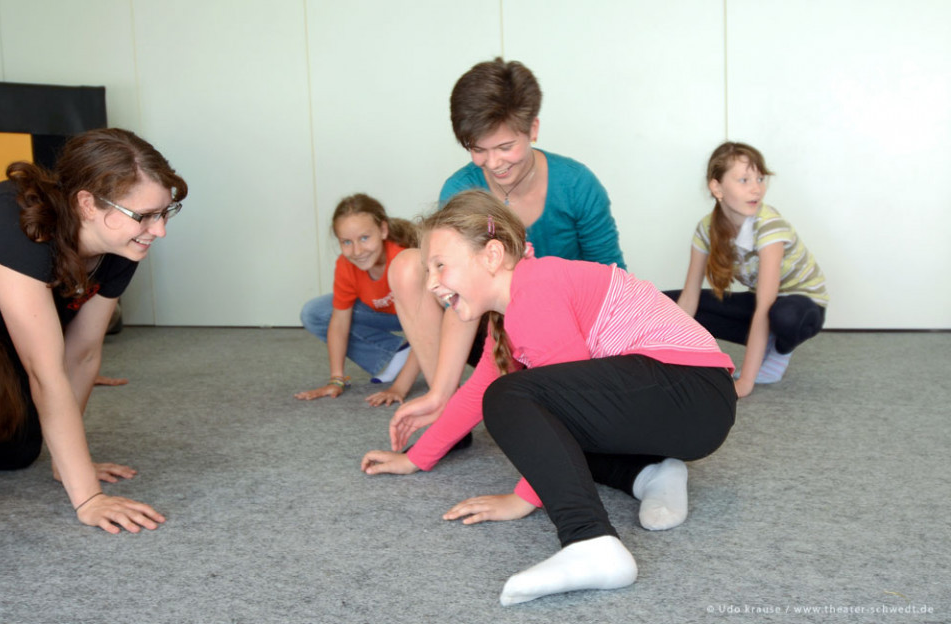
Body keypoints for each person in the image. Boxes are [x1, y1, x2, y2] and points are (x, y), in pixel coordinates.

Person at [362, 190, 737, 605]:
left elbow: (552, 408)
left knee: (515, 403)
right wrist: (417, 457)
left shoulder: (536, 290)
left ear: (491, 255)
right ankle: (650, 474)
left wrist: (522, 499)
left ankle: (591, 541)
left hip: (691, 391)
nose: (431, 282)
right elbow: (477, 392)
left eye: (440, 265)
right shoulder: (512, 307)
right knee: (537, 426)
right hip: (686, 408)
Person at [387, 58, 625, 451]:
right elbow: (458, 293)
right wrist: (441, 391)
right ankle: (446, 410)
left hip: (564, 334)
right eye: (478, 150)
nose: (493, 163)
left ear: (532, 128)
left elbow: (611, 278)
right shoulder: (461, 189)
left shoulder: (577, 184)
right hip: (492, 329)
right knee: (408, 266)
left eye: (505, 147)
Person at [0, 128, 186, 533]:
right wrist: (89, 498)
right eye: (144, 216)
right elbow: (45, 371)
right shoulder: (18, 226)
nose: (160, 230)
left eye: (165, 212)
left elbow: (80, 353)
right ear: (87, 204)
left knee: (19, 450)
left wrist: (69, 466)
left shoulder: (123, 244)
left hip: (3, 338)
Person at [666, 142, 828, 398]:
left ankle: (780, 349)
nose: (757, 189)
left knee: (783, 315)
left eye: (760, 178)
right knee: (665, 303)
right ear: (716, 187)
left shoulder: (769, 226)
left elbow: (765, 305)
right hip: (764, 302)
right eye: (744, 180)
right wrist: (669, 357)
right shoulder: (706, 229)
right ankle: (766, 343)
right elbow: (689, 298)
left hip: (802, 306)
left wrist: (745, 383)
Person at [295, 194, 420, 406]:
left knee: (426, 337)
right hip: (388, 313)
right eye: (346, 242)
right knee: (315, 312)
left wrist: (399, 387)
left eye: (364, 238)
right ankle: (397, 355)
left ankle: (421, 357)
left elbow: (424, 327)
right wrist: (337, 379)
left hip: (427, 318)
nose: (357, 251)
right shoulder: (346, 265)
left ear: (382, 230)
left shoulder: (403, 260)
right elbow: (339, 322)